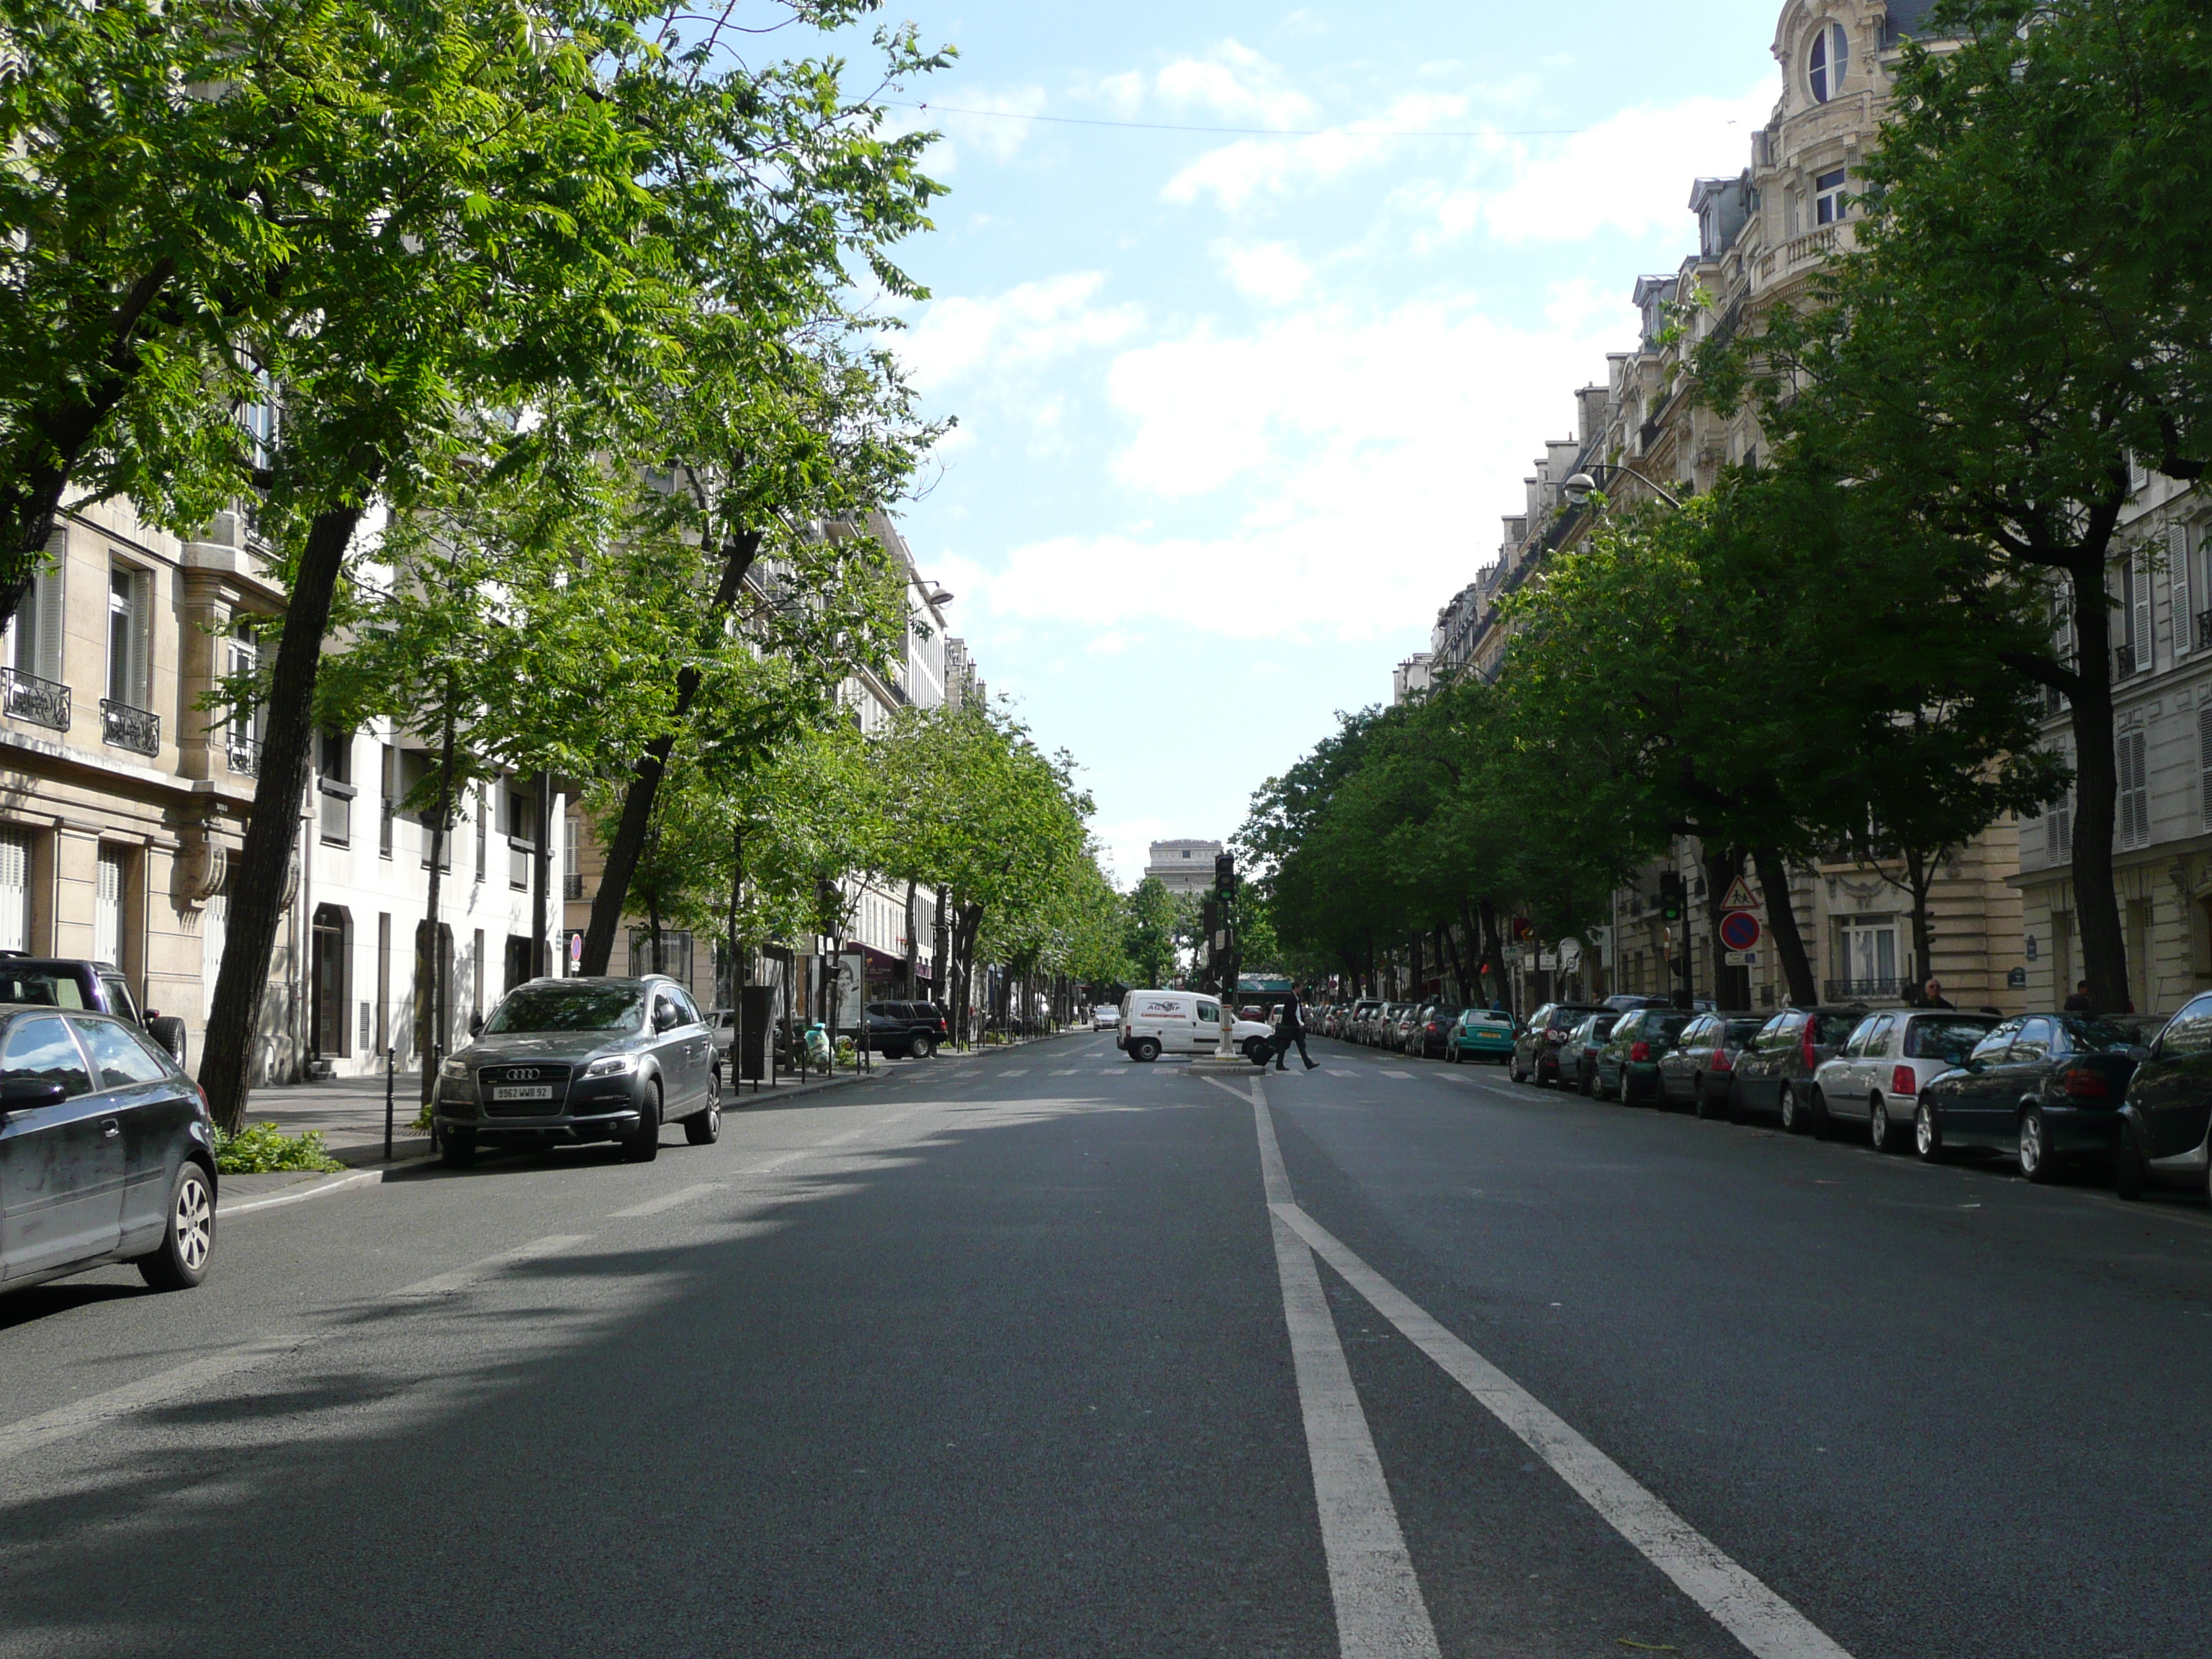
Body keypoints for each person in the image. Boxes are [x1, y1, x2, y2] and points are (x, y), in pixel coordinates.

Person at [1274, 984, 1318, 1071]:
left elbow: (1297, 1013)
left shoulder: (1295, 999)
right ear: (1296, 988)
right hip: (1291, 1027)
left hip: (1294, 1026)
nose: (1301, 990)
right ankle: (1279, 1065)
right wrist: (1297, 1024)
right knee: (1286, 1045)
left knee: (1300, 1045)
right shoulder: (1291, 999)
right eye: (1300, 988)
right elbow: (1291, 1013)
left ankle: (1308, 1063)